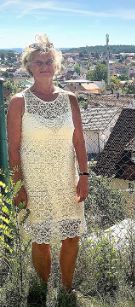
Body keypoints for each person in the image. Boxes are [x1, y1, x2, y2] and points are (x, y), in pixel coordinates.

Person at [7, 34, 88, 293]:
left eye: (48, 61)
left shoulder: (70, 99)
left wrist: (84, 174)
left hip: (67, 178)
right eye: (38, 62)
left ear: (57, 66)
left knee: (71, 235)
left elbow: (79, 141)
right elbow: (13, 148)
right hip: (35, 180)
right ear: (29, 67)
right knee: (40, 240)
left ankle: (66, 288)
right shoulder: (19, 102)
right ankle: (42, 290)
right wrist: (18, 185)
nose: (44, 66)